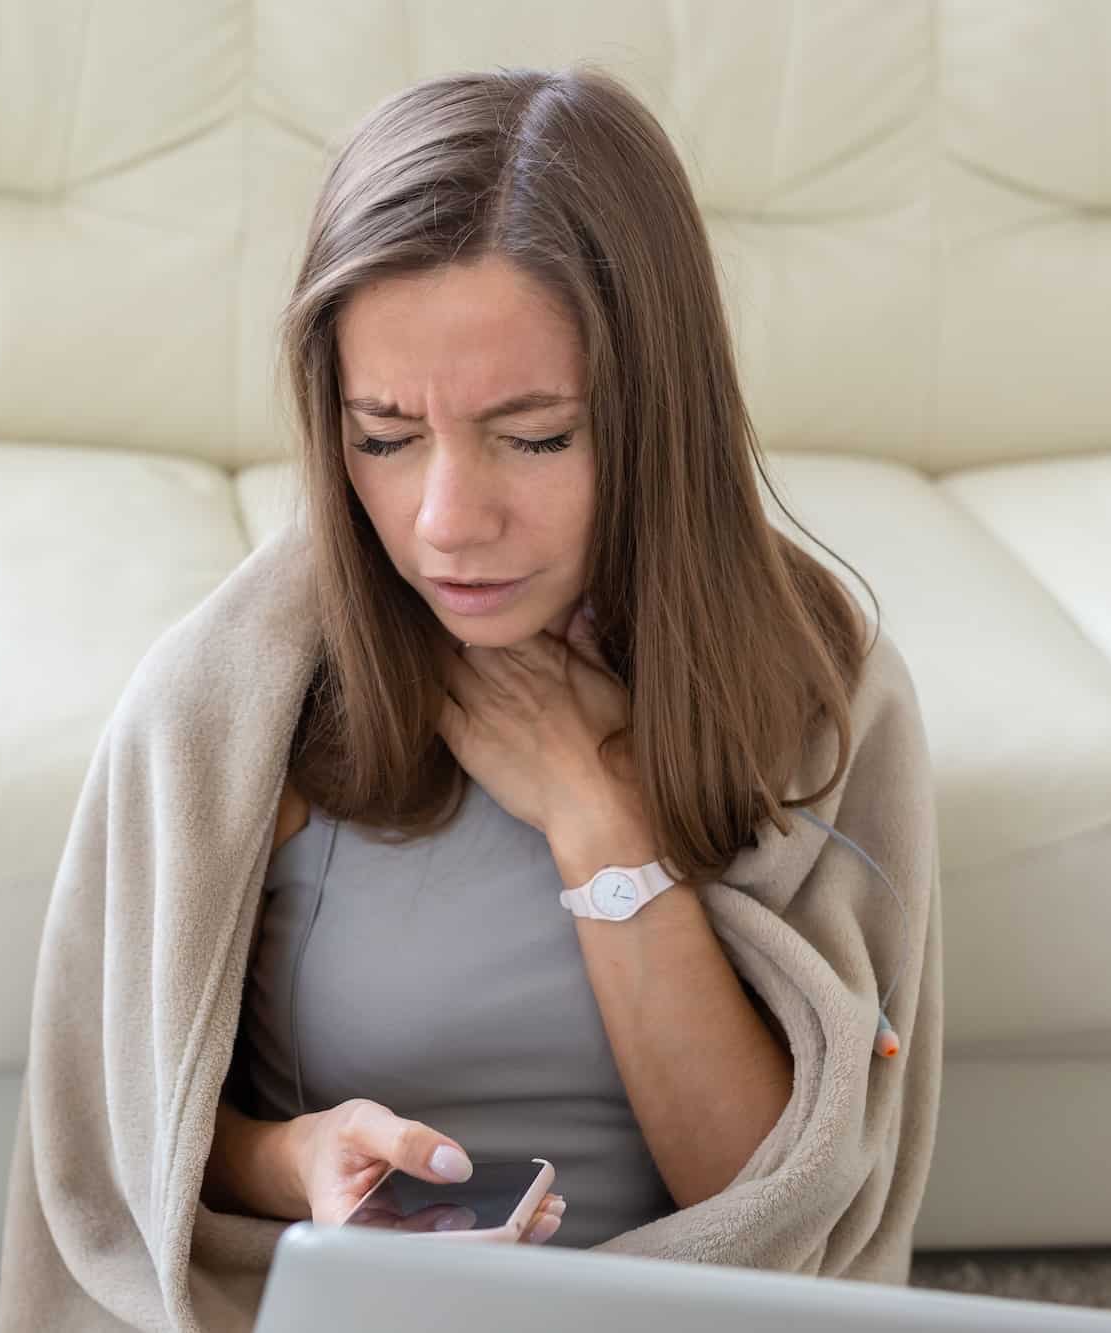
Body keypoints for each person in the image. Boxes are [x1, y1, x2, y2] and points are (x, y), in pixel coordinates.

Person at [200, 63, 883, 1252]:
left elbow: (766, 1201)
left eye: (533, 436)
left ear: (655, 412)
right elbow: (123, 1125)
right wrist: (295, 1156)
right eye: (385, 437)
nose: (446, 521)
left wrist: (595, 818)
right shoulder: (261, 690)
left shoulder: (807, 675)